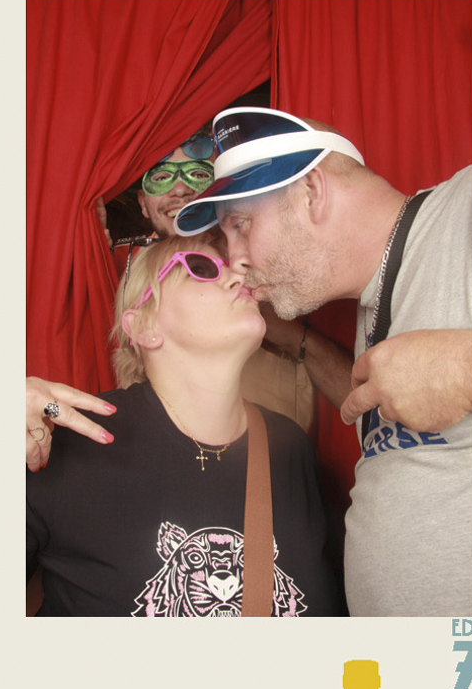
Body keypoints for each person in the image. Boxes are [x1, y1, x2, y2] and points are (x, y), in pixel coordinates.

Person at [176, 106, 472, 616]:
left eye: (241, 225)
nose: (236, 260)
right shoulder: (374, 301)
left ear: (312, 191)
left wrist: (471, 366)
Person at [26, 235, 344, 617]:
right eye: (202, 268)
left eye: (235, 267)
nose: (238, 277)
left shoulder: (290, 446)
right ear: (143, 327)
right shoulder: (68, 441)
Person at [26, 126, 317, 472]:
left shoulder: (275, 264)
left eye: (198, 174)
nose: (180, 189)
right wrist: (81, 249)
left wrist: (288, 335)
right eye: (162, 177)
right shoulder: (112, 265)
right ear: (142, 204)